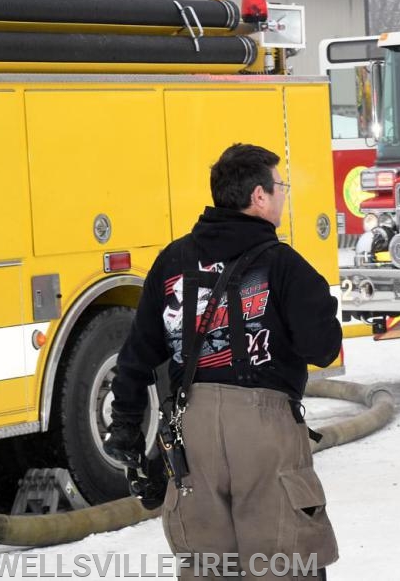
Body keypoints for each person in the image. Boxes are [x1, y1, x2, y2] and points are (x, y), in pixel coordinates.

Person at [103, 143, 342, 580]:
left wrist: (125, 427)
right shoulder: (283, 264)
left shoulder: (172, 261)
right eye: (280, 186)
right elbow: (321, 349)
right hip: (265, 431)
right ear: (259, 197)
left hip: (192, 435)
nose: (283, 195)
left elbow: (137, 354)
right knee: (285, 561)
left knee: (208, 566)